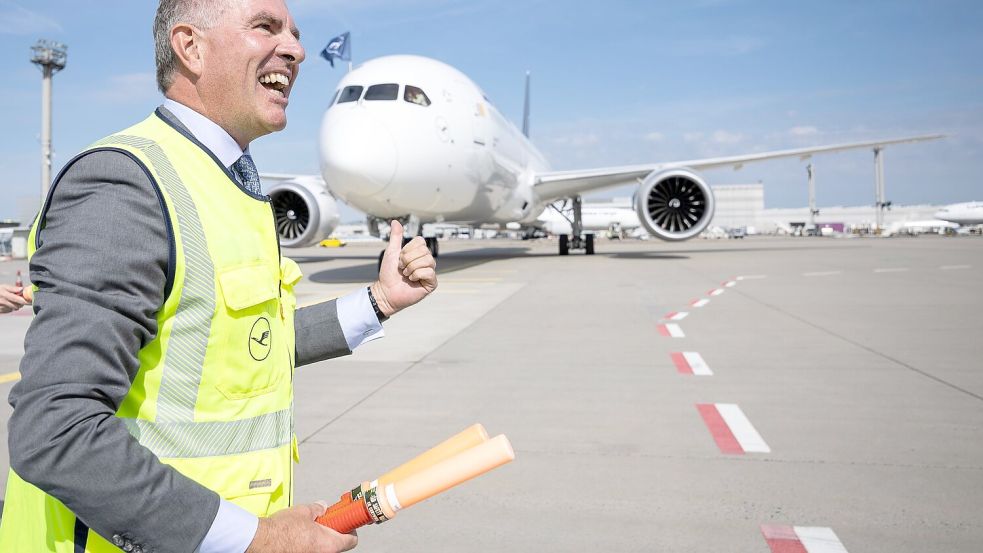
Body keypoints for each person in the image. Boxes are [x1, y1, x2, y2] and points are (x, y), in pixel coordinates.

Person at [0, 1, 437, 552]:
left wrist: (379, 301)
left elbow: (242, 347)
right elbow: (55, 430)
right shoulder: (127, 184)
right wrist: (256, 539)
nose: (296, 49)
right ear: (191, 48)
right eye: (265, 27)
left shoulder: (227, 184)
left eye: (295, 34)